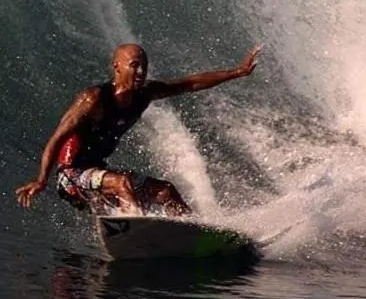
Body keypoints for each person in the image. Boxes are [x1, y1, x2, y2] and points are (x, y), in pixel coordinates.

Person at [15, 43, 262, 217]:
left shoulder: (144, 95)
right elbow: (57, 138)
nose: (141, 72)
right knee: (123, 183)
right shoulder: (94, 99)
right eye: (134, 65)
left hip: (99, 174)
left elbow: (189, 83)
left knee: (166, 191)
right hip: (71, 177)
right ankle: (136, 225)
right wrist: (41, 180)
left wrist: (237, 72)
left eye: (143, 66)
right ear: (117, 67)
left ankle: (195, 232)